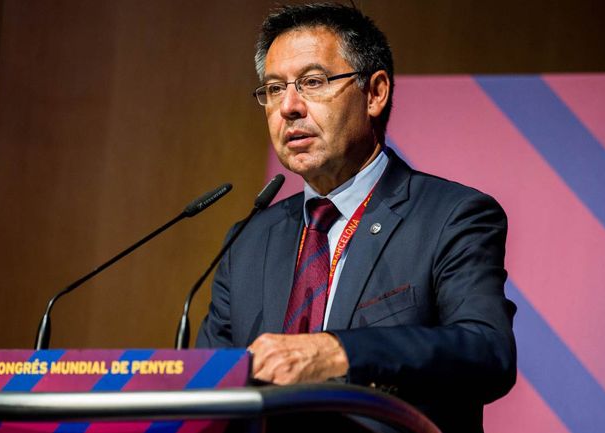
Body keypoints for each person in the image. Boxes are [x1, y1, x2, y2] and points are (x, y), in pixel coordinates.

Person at [197, 3, 516, 432]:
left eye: (312, 82)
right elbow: (206, 391)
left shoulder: (452, 216)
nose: (288, 106)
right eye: (273, 89)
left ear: (375, 93)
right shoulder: (250, 240)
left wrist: (339, 352)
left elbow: (486, 351)